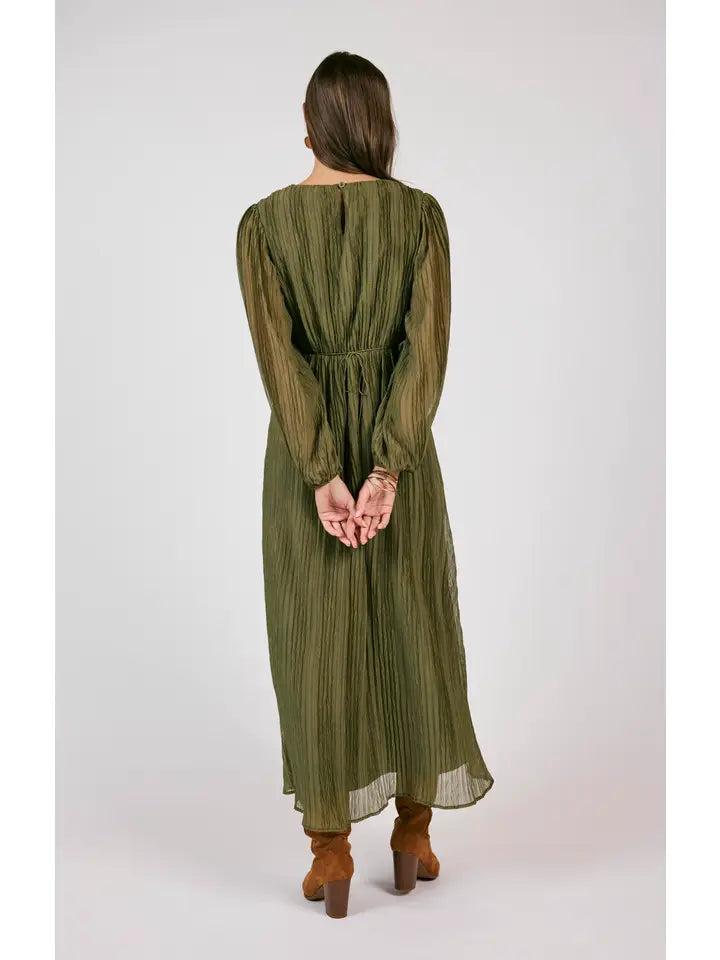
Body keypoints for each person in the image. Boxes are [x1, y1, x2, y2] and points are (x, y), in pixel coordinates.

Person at [236, 51, 494, 919]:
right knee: (415, 625)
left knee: (314, 641)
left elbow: (279, 360)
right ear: (380, 125)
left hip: (303, 462)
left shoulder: (263, 225)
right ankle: (414, 836)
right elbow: (428, 349)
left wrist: (323, 473)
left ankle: (330, 851)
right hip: (402, 455)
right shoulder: (420, 216)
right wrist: (387, 466)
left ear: (308, 126)